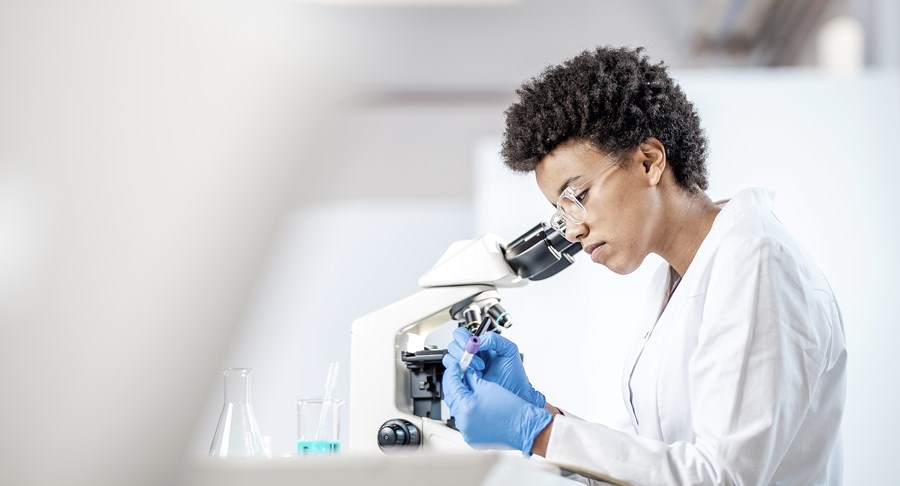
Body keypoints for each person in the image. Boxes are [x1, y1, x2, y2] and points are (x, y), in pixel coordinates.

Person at [441, 46, 847, 485]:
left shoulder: (757, 262)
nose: (573, 230)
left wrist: (542, 435)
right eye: (561, 212)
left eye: (577, 197)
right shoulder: (674, 280)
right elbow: (653, 457)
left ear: (650, 160)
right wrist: (543, 414)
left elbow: (722, 477)